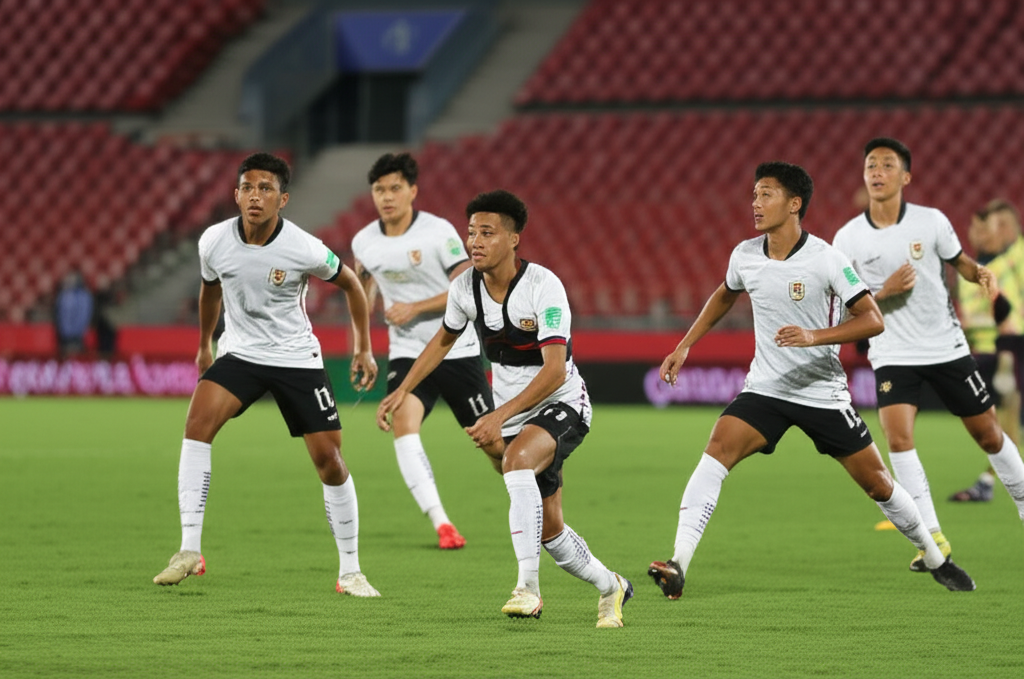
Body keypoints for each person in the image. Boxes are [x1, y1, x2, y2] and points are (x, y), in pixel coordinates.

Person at [648, 161, 975, 600]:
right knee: (717, 450)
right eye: (755, 194)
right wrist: (685, 344)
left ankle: (936, 559)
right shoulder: (745, 254)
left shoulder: (825, 258)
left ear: (794, 203)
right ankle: (678, 563)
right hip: (766, 387)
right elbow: (726, 292)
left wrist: (813, 337)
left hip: (822, 392)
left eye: (766, 194)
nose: (756, 203)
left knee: (878, 483)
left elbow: (872, 319)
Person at [376, 189, 633, 627]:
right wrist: (403, 389)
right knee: (551, 533)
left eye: (487, 233)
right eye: (472, 232)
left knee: (515, 463)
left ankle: (527, 589)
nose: (475, 241)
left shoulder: (543, 286)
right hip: (512, 412)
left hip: (562, 401)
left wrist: (496, 415)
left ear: (514, 239)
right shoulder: (463, 288)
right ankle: (612, 586)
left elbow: (553, 371)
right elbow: (442, 341)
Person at [153, 152, 382, 597]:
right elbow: (209, 290)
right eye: (248, 187)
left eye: (266, 188)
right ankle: (188, 550)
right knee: (196, 426)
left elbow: (352, 284)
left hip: (297, 358)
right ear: (235, 194)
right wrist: (204, 343)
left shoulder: (303, 247)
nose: (255, 196)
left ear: (284, 199)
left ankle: (350, 571)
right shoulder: (213, 241)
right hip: (240, 353)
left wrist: (363, 347)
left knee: (329, 462)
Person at [832, 139, 1024, 573]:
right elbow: (841, 304)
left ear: (906, 177)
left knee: (989, 435)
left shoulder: (931, 222)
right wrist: (884, 294)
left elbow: (961, 263)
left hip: (945, 348)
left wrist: (982, 275)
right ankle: (932, 538)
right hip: (892, 352)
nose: (877, 171)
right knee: (898, 438)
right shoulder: (847, 238)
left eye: (887, 165)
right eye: (870, 165)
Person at [352, 152, 493, 549]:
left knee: (493, 445)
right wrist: (362, 347)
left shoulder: (438, 233)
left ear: (413, 190)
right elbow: (363, 292)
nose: (387, 197)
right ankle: (442, 524)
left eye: (395, 188)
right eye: (379, 189)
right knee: (402, 421)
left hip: (457, 348)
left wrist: (415, 306)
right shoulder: (364, 241)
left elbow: (468, 286)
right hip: (408, 351)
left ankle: (534, 491)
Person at [951, 200, 1024, 501]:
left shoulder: (1016, 257)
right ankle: (992, 480)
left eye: (996, 225)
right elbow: (970, 318)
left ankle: (990, 481)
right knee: (995, 422)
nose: (979, 233)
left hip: (1011, 347)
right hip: (984, 352)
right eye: (978, 227)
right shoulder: (972, 270)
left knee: (1007, 414)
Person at [54, 270, 93, 359]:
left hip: (76, 336)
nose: (67, 281)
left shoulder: (84, 296)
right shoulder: (62, 295)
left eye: (71, 279)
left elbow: (83, 316)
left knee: (76, 359)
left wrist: (76, 333)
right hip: (63, 335)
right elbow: (59, 315)